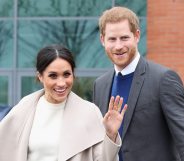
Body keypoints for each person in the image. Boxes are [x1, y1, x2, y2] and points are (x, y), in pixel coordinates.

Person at [0, 44, 127, 161]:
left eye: (66, 74)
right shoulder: (23, 109)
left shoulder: (89, 112)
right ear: (40, 76)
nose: (61, 83)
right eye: (53, 76)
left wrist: (111, 135)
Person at [93, 6, 184, 161]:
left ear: (136, 36)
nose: (118, 46)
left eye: (124, 38)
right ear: (102, 40)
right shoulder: (99, 85)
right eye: (112, 39)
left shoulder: (163, 79)